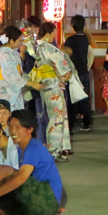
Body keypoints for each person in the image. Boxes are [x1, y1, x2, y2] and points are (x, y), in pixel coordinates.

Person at [0, 110, 64, 215]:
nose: (13, 131)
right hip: (35, 204)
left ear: (30, 129)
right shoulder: (21, 148)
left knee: (2, 170)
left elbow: (21, 177)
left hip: (46, 199)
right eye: (11, 127)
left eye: (18, 128)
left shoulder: (34, 147)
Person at [35, 22, 72, 162]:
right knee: (57, 118)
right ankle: (54, 151)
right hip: (54, 85)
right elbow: (62, 66)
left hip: (46, 84)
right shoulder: (48, 48)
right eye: (53, 33)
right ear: (47, 34)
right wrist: (65, 75)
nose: (54, 36)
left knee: (53, 117)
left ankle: (55, 149)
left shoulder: (38, 48)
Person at [0, 26, 43, 112]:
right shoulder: (6, 55)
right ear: (11, 41)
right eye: (19, 41)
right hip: (7, 91)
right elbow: (13, 77)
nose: (20, 43)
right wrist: (32, 84)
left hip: (13, 90)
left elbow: (18, 74)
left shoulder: (12, 53)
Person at [63, 15, 93, 131]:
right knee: (84, 97)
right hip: (84, 71)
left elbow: (65, 55)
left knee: (71, 98)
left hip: (73, 72)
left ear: (72, 26)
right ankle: (87, 122)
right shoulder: (85, 39)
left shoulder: (70, 40)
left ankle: (71, 123)